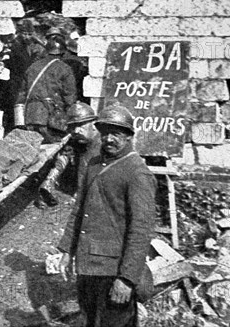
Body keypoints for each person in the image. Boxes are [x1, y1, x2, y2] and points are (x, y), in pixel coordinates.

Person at [57, 104, 157, 327]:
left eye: (117, 134)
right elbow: (79, 209)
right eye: (105, 133)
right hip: (88, 264)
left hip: (114, 271)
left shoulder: (137, 172)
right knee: (89, 321)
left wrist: (127, 279)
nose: (109, 139)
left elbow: (141, 231)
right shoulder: (94, 163)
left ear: (129, 136)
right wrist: (67, 250)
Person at [16, 37, 77, 144]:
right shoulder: (64, 68)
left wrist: (19, 121)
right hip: (52, 118)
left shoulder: (32, 67)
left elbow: (21, 96)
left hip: (30, 116)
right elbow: (69, 96)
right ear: (63, 53)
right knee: (53, 148)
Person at [39, 102, 102, 207]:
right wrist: (48, 182)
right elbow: (65, 155)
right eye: (73, 127)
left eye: (81, 125)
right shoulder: (77, 138)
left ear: (93, 124)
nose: (77, 130)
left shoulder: (104, 143)